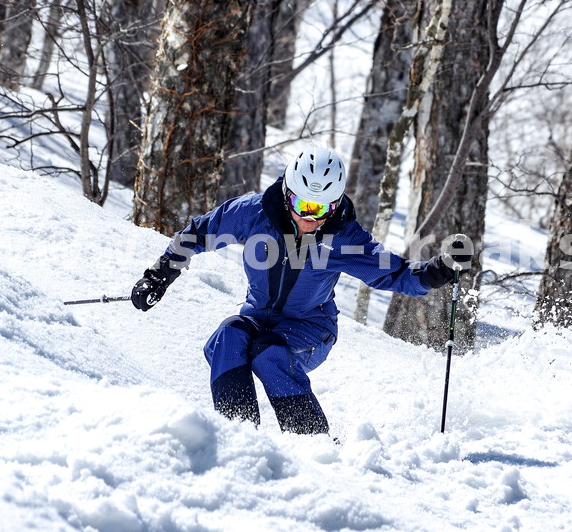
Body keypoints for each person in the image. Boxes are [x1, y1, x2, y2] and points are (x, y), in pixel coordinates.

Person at [130, 145, 472, 435]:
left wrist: (439, 270)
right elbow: (199, 233)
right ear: (287, 193)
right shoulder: (254, 214)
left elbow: (396, 275)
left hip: (310, 330)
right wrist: (160, 274)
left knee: (268, 351)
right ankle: (239, 436)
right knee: (228, 337)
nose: (313, 218)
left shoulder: (343, 238)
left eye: (323, 208)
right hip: (258, 318)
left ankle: (313, 444)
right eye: (305, 205)